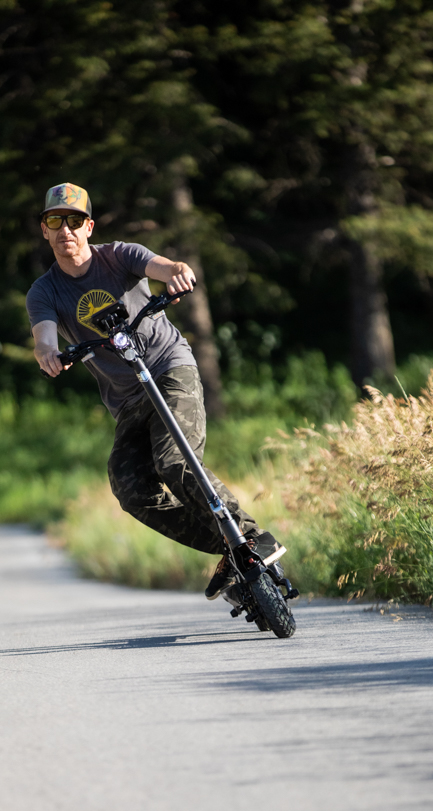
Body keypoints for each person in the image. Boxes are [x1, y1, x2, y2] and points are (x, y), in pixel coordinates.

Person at [26, 182, 283, 599]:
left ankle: (252, 540)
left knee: (173, 461)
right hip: (128, 401)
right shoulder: (45, 291)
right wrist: (49, 355)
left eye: (74, 221)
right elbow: (43, 337)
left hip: (168, 369)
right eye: (54, 221)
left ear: (89, 226)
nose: (65, 230)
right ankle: (231, 548)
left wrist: (177, 273)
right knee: (130, 489)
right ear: (44, 229)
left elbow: (163, 266)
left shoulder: (120, 255)